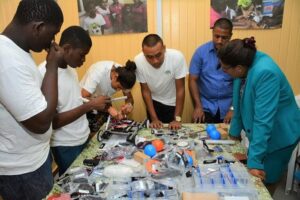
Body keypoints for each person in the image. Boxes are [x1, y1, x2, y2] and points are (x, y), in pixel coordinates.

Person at [217, 37, 300, 195]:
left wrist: (254, 163)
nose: (223, 70)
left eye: (225, 68)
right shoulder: (243, 64)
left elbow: (263, 121)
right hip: (265, 131)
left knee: (262, 183)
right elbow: (238, 102)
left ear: (239, 68)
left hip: (281, 136)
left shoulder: (265, 73)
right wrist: (234, 134)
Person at [0, 0, 64, 199]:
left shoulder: (18, 52)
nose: (53, 40)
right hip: (22, 170)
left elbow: (39, 101)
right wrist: (51, 66)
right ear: (38, 27)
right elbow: (41, 122)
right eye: (52, 33)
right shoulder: (7, 60)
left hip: (34, 159)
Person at [38, 26, 110, 176]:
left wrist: (94, 103)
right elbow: (52, 121)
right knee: (76, 184)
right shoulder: (45, 73)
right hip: (65, 145)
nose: (83, 60)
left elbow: (72, 103)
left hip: (82, 137)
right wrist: (90, 105)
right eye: (81, 55)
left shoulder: (71, 70)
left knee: (89, 178)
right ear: (67, 48)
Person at [134, 34, 188, 130]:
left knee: (173, 134)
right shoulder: (138, 61)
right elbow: (145, 91)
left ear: (164, 48)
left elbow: (180, 90)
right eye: (149, 57)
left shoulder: (177, 57)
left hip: (173, 103)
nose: (155, 61)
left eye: (158, 55)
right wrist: (154, 118)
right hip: (153, 103)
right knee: (154, 133)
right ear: (143, 52)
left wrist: (177, 119)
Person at [189, 18, 233, 124]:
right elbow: (192, 80)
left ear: (230, 36)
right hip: (206, 106)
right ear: (212, 33)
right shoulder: (200, 52)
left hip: (229, 106)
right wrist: (198, 106)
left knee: (233, 137)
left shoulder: (235, 54)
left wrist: (233, 109)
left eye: (224, 38)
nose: (219, 41)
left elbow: (241, 83)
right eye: (216, 36)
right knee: (200, 136)